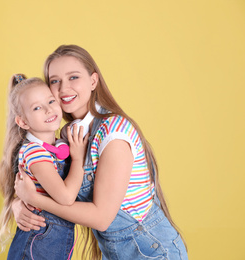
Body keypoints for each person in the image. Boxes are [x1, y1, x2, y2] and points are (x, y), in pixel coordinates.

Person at [13, 45, 188, 260]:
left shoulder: (113, 133)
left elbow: (102, 218)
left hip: (150, 252)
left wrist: (34, 199)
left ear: (93, 81)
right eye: (55, 81)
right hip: (115, 253)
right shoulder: (70, 133)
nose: (63, 88)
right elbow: (49, 184)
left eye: (73, 77)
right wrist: (19, 204)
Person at [0, 74, 89, 259]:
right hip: (36, 247)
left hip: (50, 245)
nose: (48, 110)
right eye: (37, 107)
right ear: (23, 122)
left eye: (51, 101)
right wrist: (78, 159)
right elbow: (66, 197)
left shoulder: (55, 147)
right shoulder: (35, 153)